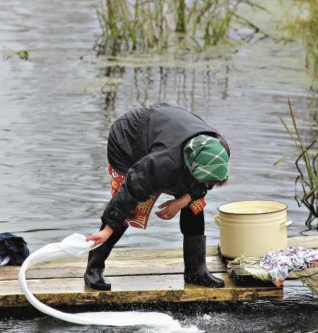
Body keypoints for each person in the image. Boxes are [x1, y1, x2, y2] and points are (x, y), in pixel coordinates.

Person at [85, 103, 230, 290]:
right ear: (190, 165)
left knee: (194, 204)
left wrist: (183, 200)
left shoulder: (220, 150)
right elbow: (129, 192)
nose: (205, 185)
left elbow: (204, 184)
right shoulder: (164, 162)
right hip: (127, 138)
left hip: (164, 131)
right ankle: (94, 268)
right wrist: (108, 229)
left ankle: (196, 270)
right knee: (130, 208)